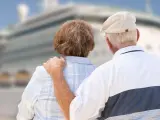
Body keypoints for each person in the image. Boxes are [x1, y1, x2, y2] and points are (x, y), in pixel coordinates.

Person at [44, 11, 160, 120]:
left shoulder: (104, 75)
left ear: (108, 43)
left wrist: (56, 74)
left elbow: (76, 116)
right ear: (137, 35)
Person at [17, 20, 96, 120]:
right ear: (91, 45)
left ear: (59, 42)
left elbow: (24, 112)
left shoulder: (44, 72)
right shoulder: (99, 74)